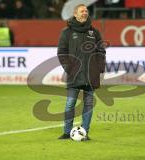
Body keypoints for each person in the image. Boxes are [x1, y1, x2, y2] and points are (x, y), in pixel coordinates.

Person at [57, 4, 106, 140]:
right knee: (70, 103)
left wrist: (99, 69)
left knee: (88, 105)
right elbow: (62, 53)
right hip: (74, 74)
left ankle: (85, 132)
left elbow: (101, 51)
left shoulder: (94, 32)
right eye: (82, 11)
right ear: (75, 14)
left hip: (91, 75)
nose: (85, 13)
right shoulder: (66, 32)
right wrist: (69, 68)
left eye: (86, 11)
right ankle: (67, 132)